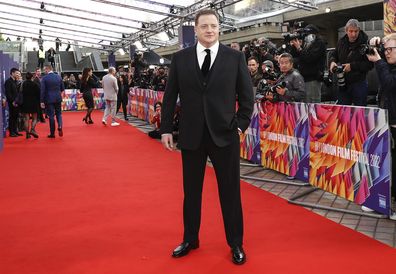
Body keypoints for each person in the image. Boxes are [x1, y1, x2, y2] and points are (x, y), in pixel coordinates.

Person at [160, 9, 254, 265]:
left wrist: (240, 126)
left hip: (225, 135)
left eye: (213, 25)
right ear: (196, 29)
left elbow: (247, 98)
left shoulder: (235, 58)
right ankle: (190, 239)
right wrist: (166, 128)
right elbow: (169, 97)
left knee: (230, 191)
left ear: (219, 28)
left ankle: (236, 243)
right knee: (191, 192)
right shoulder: (180, 59)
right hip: (191, 135)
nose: (210, 30)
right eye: (204, 26)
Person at [366, 34, 396, 219]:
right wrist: (371, 45)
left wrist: (379, 62)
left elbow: (391, 85)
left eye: (391, 49)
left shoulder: (387, 67)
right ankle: (384, 200)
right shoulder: (389, 66)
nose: (387, 53)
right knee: (388, 162)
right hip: (388, 120)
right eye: (385, 50)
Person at [329, 19, 373, 106]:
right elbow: (334, 54)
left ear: (359, 30)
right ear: (346, 30)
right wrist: (332, 62)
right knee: (343, 110)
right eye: (351, 31)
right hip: (343, 83)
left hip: (359, 82)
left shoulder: (366, 43)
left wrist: (352, 66)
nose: (353, 34)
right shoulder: (341, 42)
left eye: (356, 31)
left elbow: (370, 65)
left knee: (360, 111)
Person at [289, 24, 327, 103]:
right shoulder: (306, 43)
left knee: (312, 105)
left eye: (306, 34)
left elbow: (309, 58)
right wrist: (294, 46)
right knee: (304, 105)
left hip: (313, 78)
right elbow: (295, 57)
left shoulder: (319, 43)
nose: (305, 36)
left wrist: (299, 48)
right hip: (303, 79)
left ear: (313, 34)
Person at [40, 65, 65, 138]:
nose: (44, 71)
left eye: (45, 70)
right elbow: (62, 88)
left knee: (51, 116)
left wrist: (41, 101)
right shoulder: (58, 77)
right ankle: (60, 126)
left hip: (49, 99)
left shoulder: (44, 78)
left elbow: (42, 91)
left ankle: (52, 133)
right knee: (59, 114)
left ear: (48, 69)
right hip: (58, 98)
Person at [19, 72, 41, 139]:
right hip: (34, 103)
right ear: (32, 77)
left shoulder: (23, 84)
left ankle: (27, 134)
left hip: (25, 103)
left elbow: (20, 93)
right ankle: (32, 129)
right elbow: (38, 94)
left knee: (26, 119)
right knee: (34, 118)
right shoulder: (35, 84)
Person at [4, 68, 23, 137]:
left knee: (16, 117)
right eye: (17, 73)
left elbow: (17, 93)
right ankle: (11, 132)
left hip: (16, 102)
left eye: (18, 73)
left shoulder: (15, 81)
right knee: (12, 117)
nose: (18, 75)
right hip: (12, 103)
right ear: (12, 73)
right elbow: (8, 93)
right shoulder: (8, 82)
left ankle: (15, 131)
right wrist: (12, 101)